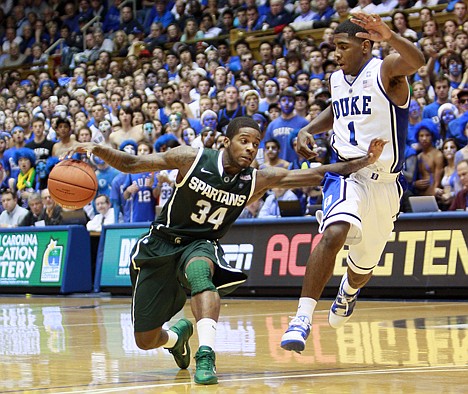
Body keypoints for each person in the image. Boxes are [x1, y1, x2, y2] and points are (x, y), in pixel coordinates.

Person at [62, 117, 386, 385]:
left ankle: (206, 356)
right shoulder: (191, 158)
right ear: (226, 141)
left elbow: (316, 174)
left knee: (201, 272)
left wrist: (364, 161)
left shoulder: (257, 179)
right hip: (162, 242)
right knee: (145, 339)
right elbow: (132, 163)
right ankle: (178, 338)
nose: (250, 148)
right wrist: (98, 149)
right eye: (244, 140)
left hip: (201, 244)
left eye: (255, 144)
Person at [280, 14, 425, 353]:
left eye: (343, 47)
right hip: (347, 173)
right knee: (333, 231)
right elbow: (337, 110)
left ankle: (349, 289)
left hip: (386, 184)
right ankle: (301, 318)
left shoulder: (386, 71)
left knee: (362, 269)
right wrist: (307, 129)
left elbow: (416, 61)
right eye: (334, 48)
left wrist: (389, 35)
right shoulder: (336, 78)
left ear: (364, 45)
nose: (337, 54)